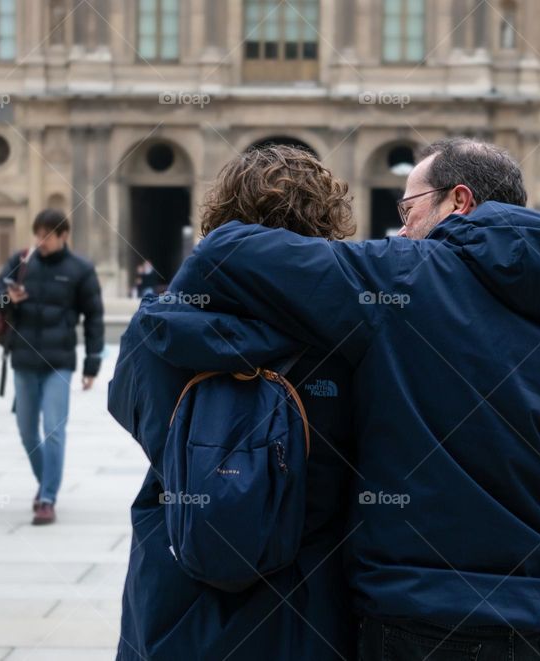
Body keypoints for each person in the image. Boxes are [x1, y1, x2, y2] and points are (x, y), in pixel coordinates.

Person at [165, 138, 540, 660]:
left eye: (408, 209)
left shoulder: (400, 275)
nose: (401, 227)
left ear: (459, 201)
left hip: (413, 625)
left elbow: (223, 254)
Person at [109, 145, 355, 659]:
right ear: (324, 223)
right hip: (304, 599)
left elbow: (130, 410)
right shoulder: (346, 337)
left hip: (176, 580)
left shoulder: (155, 327)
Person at [0, 209, 104, 525]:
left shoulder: (80, 269)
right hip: (23, 359)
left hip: (59, 362)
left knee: (53, 429)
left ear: (63, 235)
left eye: (47, 235)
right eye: (38, 234)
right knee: (27, 431)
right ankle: (46, 483)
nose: (41, 241)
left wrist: (92, 363)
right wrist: (8, 298)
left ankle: (47, 498)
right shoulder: (22, 261)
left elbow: (94, 318)